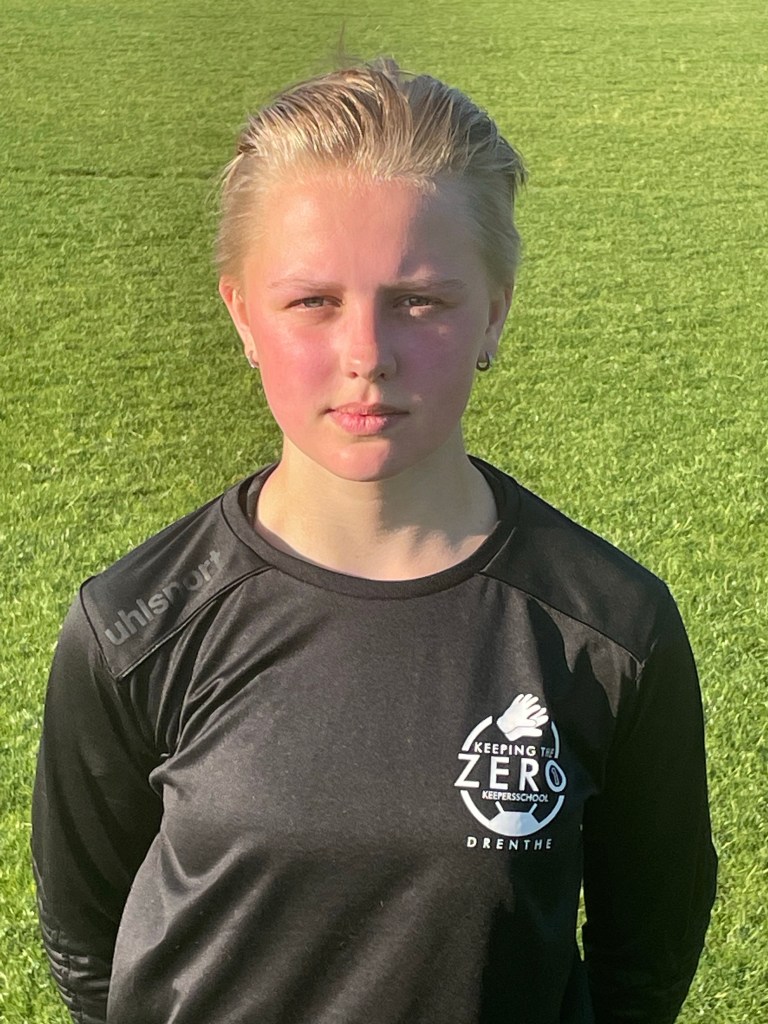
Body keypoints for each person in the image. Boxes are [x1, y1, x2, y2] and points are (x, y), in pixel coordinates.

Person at [31, 56, 717, 1024]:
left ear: (495, 312)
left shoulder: (609, 630)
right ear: (243, 316)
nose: (366, 355)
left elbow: (646, 951)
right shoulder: (135, 625)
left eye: (420, 300)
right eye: (312, 300)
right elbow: (88, 945)